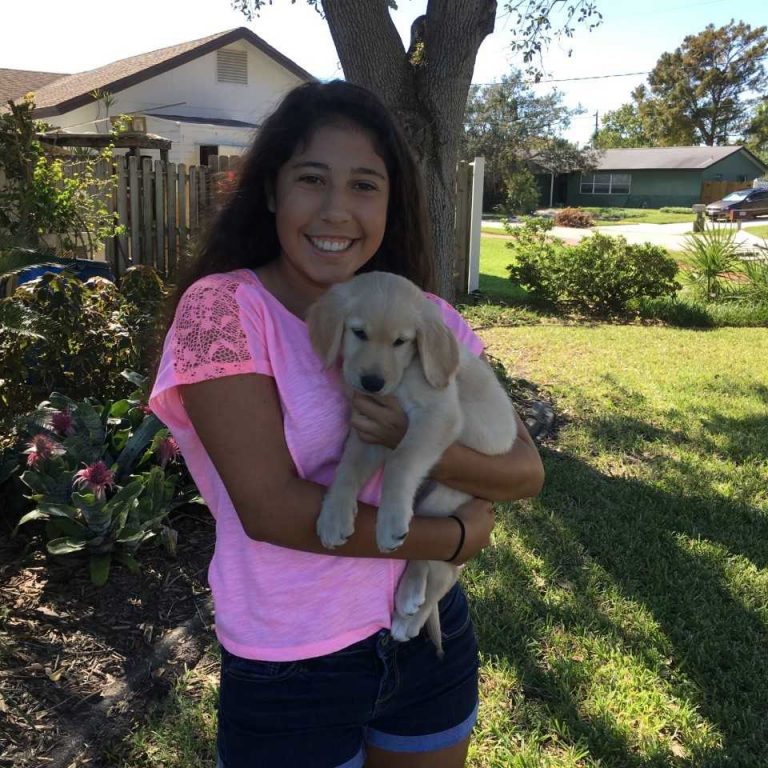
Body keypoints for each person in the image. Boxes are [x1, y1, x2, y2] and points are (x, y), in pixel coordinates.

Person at [149, 80, 544, 768]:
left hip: (426, 637)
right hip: (293, 665)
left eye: (365, 186)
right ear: (272, 191)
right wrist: (450, 535)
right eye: (311, 180)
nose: (336, 210)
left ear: (391, 205)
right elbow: (271, 509)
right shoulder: (222, 311)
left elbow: (523, 470)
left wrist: (414, 445)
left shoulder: (424, 316)